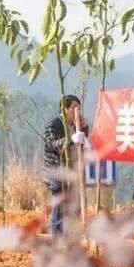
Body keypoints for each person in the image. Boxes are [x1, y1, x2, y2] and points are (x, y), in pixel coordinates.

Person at [42, 94, 88, 238]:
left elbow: (81, 146)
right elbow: (53, 145)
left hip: (73, 177)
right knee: (60, 214)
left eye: (79, 108)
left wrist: (84, 129)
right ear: (65, 109)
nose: (77, 111)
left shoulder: (75, 126)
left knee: (74, 213)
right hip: (58, 176)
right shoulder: (53, 125)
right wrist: (71, 139)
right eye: (74, 108)